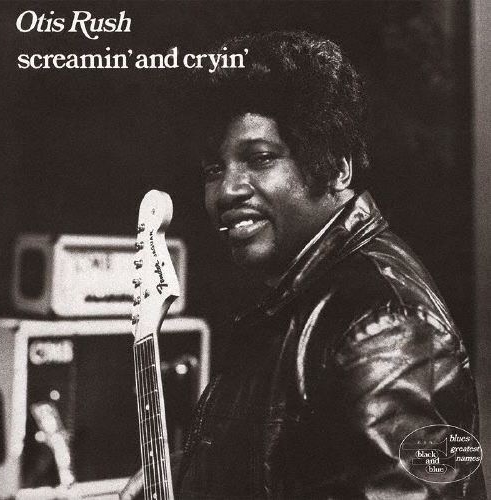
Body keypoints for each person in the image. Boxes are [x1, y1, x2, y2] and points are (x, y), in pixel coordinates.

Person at [123, 31, 486, 499]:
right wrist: (196, 472)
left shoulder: (385, 326)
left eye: (260, 158)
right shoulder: (299, 299)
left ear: (337, 167)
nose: (227, 190)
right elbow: (300, 461)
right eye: (214, 169)